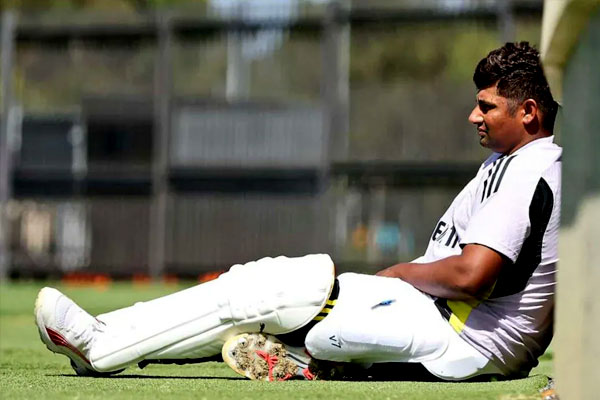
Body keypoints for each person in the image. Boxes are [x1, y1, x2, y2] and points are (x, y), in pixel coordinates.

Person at [34, 42, 560, 382]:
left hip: (458, 336)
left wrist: (400, 274)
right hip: (450, 325)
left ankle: (102, 345)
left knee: (279, 290)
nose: (473, 116)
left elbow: (473, 275)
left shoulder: (527, 170)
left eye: (486, 106)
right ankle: (302, 353)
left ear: (529, 112)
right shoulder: (525, 162)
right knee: (266, 293)